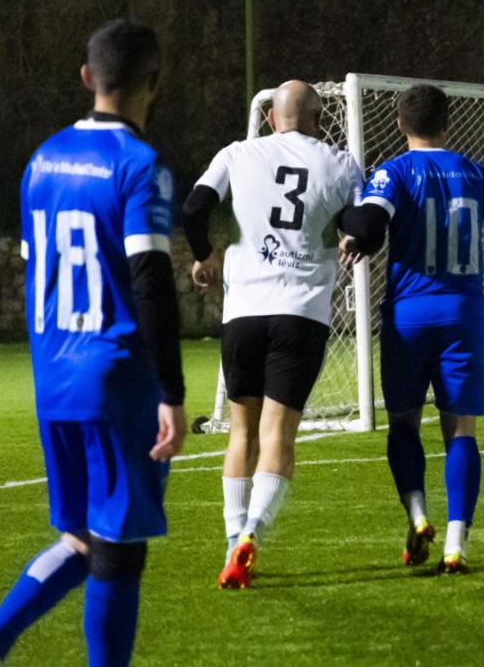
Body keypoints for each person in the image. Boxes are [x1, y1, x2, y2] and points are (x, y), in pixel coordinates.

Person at [0, 18, 186, 666]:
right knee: (119, 551)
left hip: (54, 380)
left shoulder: (41, 160)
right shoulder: (141, 165)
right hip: (117, 381)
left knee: (81, 541)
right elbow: (150, 280)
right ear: (153, 83)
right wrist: (173, 391)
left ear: (87, 77)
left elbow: (37, 269)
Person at [181, 80, 365, 589]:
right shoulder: (341, 162)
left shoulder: (237, 153)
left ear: (269, 119)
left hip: (244, 313)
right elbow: (362, 222)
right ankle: (253, 534)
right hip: (301, 314)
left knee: (241, 432)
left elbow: (194, 209)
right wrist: (353, 237)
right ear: (321, 119)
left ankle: (230, 540)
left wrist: (204, 255)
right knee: (278, 433)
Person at [338, 84, 484, 573]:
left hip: (408, 316)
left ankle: (419, 513)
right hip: (463, 315)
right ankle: (455, 544)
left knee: (403, 423)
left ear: (401, 125)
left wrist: (350, 232)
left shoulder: (394, 172)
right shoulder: (475, 171)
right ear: (449, 121)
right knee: (460, 430)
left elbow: (367, 224)